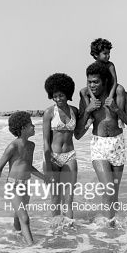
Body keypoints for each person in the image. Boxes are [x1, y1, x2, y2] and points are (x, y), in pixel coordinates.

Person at [75, 62, 127, 225]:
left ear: (104, 81)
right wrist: (88, 110)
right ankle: (109, 225)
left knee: (113, 192)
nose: (92, 85)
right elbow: (78, 134)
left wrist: (117, 110)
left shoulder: (120, 96)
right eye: (89, 82)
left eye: (96, 82)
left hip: (118, 145)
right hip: (99, 146)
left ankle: (113, 228)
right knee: (108, 187)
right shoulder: (86, 97)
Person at [0, 111, 44, 245]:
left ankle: (16, 235)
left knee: (18, 214)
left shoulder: (31, 146)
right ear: (23, 128)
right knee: (24, 217)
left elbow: (29, 167)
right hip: (13, 186)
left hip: (25, 185)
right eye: (31, 125)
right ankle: (32, 247)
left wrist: (44, 178)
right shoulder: (13, 146)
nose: (34, 126)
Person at [43, 73, 78, 224]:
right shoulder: (49, 113)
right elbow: (45, 141)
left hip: (70, 156)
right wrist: (48, 163)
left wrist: (89, 118)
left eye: (61, 95)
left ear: (68, 94)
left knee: (69, 196)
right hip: (52, 157)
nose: (57, 99)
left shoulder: (74, 111)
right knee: (55, 196)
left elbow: (79, 133)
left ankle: (70, 228)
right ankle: (56, 228)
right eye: (54, 96)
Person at [80, 38, 125, 128]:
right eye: (105, 54)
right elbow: (88, 84)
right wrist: (93, 98)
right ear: (96, 55)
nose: (108, 56)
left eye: (109, 53)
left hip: (109, 87)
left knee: (120, 89)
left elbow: (114, 81)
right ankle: (90, 117)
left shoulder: (110, 65)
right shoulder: (93, 67)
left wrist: (110, 97)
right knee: (83, 91)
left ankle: (120, 118)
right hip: (98, 88)